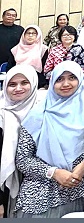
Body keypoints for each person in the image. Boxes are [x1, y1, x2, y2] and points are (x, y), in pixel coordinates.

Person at [15, 61, 84, 217]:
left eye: (72, 78)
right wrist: (54, 173)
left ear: (80, 79)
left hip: (82, 184)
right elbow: (23, 160)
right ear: (52, 82)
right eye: (59, 79)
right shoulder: (37, 114)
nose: (65, 83)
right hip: (45, 190)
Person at [0, 65, 38, 217]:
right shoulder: (2, 117)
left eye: (24, 82)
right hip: (5, 189)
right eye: (12, 84)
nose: (18, 88)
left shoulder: (43, 112)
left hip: (40, 183)